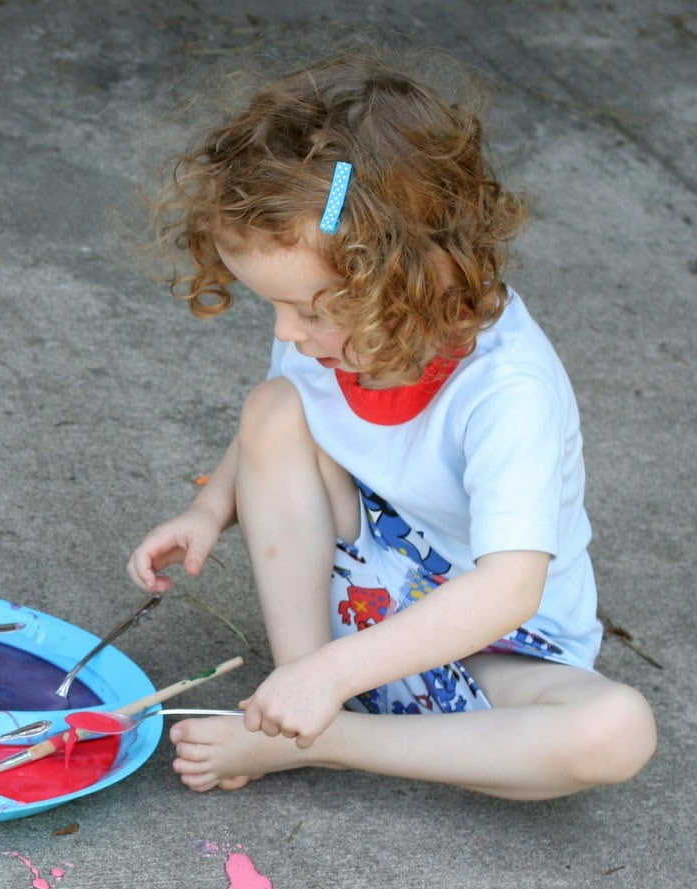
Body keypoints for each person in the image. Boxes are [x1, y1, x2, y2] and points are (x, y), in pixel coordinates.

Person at [124, 48, 656, 800]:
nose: (288, 332)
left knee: (614, 732)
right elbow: (274, 433)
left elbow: (509, 589)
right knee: (273, 409)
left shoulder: (509, 390)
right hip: (355, 615)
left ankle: (329, 736)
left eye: (308, 310)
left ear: (410, 277)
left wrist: (335, 674)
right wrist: (210, 509)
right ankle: (296, 700)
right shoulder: (337, 319)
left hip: (499, 652)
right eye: (275, 307)